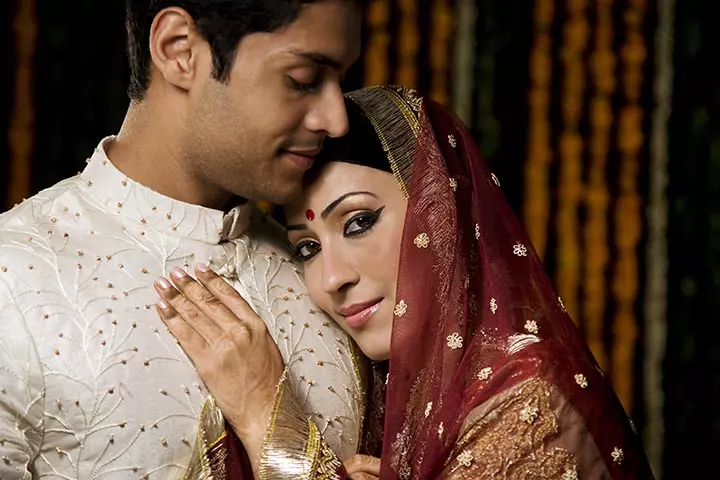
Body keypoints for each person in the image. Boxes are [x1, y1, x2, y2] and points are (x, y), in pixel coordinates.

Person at [157, 85, 656, 479]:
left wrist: (267, 417)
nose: (331, 279)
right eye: (307, 247)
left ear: (442, 214)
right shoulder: (405, 388)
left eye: (358, 222)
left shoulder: (526, 400)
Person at [0, 1, 367, 478]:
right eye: (302, 78)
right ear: (179, 51)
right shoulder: (14, 281)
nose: (337, 120)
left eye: (341, 82)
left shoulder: (335, 277)